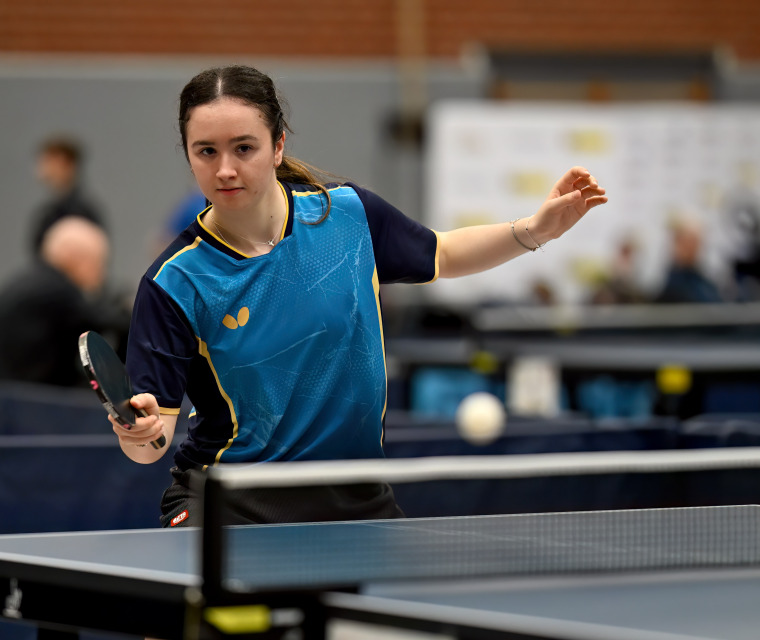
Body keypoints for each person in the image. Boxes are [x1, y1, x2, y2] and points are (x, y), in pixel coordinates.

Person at [113, 65, 607, 527]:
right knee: (189, 619)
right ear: (188, 154)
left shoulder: (348, 217)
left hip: (356, 498)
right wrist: (140, 433)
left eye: (244, 148)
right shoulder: (174, 282)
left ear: (278, 144)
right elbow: (151, 443)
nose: (225, 169)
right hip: (235, 501)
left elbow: (445, 252)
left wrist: (537, 229)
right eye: (206, 151)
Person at [0, 217, 120, 386]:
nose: (102, 276)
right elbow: (102, 321)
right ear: (76, 257)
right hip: (11, 401)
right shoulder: (58, 291)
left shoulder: (31, 282)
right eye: (99, 263)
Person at [29, 136, 107, 255]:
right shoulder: (54, 209)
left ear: (62, 162)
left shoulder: (78, 211)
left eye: (47, 160)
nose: (41, 167)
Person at [655, 219, 724, 304]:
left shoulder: (705, 282)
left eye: (697, 242)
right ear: (677, 243)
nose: (694, 248)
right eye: (689, 242)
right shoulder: (668, 285)